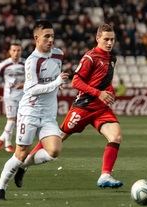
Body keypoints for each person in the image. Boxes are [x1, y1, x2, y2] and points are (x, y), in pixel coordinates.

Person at [18, 23, 123, 189]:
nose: (110, 43)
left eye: (112, 39)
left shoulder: (112, 58)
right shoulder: (90, 57)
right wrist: (98, 93)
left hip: (101, 109)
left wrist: (109, 92)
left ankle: (105, 175)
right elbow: (76, 81)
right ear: (98, 39)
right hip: (84, 107)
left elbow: (104, 81)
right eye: (106, 39)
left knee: (116, 137)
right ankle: (24, 164)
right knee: (57, 137)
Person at [0, 20, 69, 200]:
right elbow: (31, 89)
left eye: (52, 36)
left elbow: (53, 78)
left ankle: (24, 166)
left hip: (49, 114)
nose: (51, 40)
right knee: (20, 153)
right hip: (30, 112)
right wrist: (56, 83)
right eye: (46, 37)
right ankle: (0, 187)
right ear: (36, 38)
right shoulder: (32, 61)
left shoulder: (58, 55)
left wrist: (57, 86)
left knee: (54, 151)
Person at [0, 41, 25, 153]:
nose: (16, 53)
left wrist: (24, 84)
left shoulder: (26, 63)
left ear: (21, 51)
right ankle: (7, 144)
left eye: (18, 50)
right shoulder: (4, 64)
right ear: (10, 52)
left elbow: (32, 78)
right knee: (11, 120)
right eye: (14, 50)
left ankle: (2, 140)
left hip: (23, 96)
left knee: (18, 121)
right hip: (9, 96)